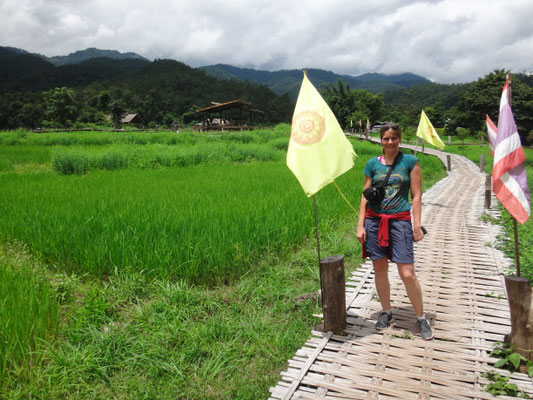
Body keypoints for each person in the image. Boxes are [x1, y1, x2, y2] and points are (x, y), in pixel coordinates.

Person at [356, 124, 434, 340]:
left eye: (394, 138)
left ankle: (420, 317)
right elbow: (365, 195)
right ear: (380, 140)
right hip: (374, 221)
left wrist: (416, 225)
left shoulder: (409, 161)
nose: (390, 142)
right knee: (379, 269)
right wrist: (360, 225)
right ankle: (387, 311)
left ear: (399, 139)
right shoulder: (372, 164)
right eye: (386, 139)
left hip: (399, 221)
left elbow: (416, 195)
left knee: (406, 272)